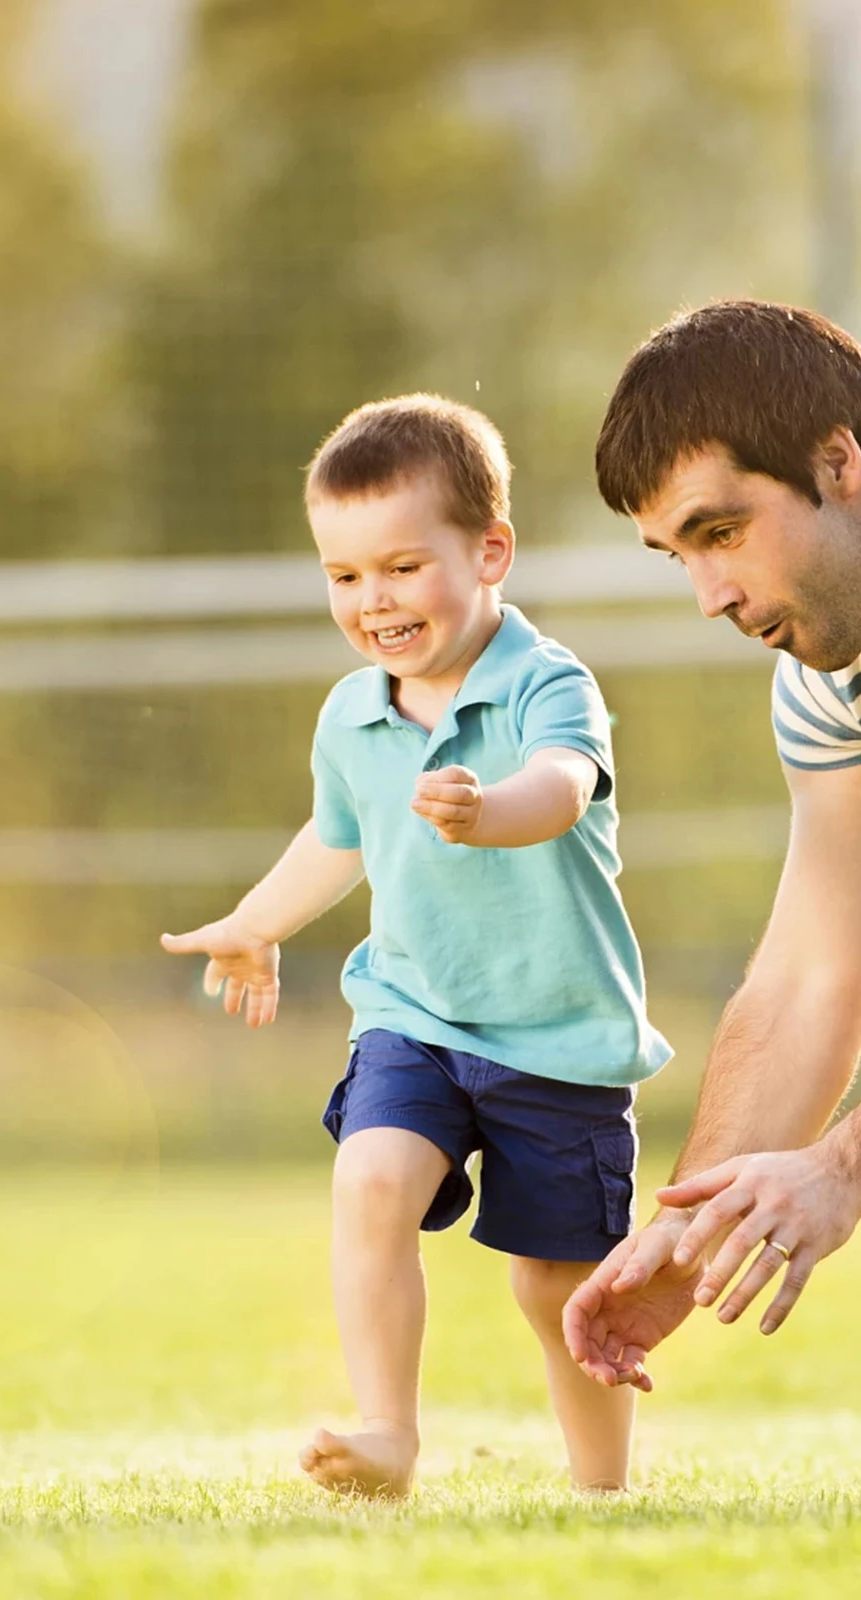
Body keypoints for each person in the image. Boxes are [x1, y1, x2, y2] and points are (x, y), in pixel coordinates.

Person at [161, 395, 672, 1496]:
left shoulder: (549, 681)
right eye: (343, 576)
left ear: (490, 551)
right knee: (373, 1177)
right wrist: (255, 923)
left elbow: (561, 786)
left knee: (555, 1285)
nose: (371, 601)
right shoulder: (350, 713)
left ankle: (599, 1485)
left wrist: (485, 809)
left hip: (558, 1037)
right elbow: (334, 836)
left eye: (400, 567)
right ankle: (387, 1433)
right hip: (414, 1015)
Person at [563, 300, 861, 1393]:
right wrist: (679, 1247)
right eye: (677, 555)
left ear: (839, 462)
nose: (708, 597)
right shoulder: (828, 691)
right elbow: (808, 980)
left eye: (720, 532)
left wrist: (840, 1165)